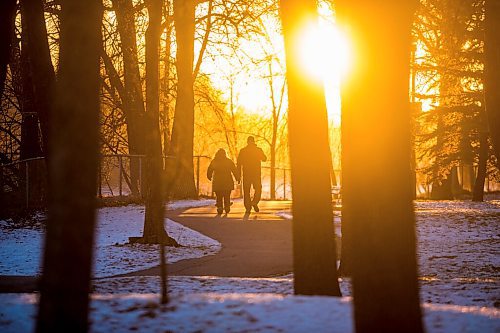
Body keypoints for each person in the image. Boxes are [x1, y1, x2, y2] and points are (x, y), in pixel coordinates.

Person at [237, 136, 267, 213]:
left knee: (246, 191)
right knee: (258, 189)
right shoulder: (258, 150)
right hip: (256, 174)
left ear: (247, 142)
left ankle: (248, 207)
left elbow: (239, 164)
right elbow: (264, 159)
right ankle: (254, 202)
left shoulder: (243, 151)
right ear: (254, 141)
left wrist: (239, 175)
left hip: (246, 174)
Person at [207, 148, 239, 214]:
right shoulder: (229, 161)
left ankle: (220, 207)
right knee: (227, 195)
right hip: (227, 181)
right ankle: (227, 206)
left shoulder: (214, 161)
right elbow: (234, 170)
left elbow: (209, 169)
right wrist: (237, 178)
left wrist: (209, 176)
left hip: (217, 181)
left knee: (219, 195)